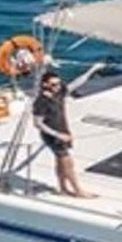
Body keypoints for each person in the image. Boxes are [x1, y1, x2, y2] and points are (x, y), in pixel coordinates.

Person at [31, 70, 96, 198]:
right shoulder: (41, 101)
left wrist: (91, 71)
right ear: (45, 85)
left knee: (60, 162)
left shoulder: (59, 93)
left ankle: (63, 188)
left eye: (58, 84)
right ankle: (78, 190)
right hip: (53, 136)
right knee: (68, 163)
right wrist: (58, 135)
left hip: (62, 131)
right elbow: (38, 123)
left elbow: (75, 84)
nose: (58, 87)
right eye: (54, 85)